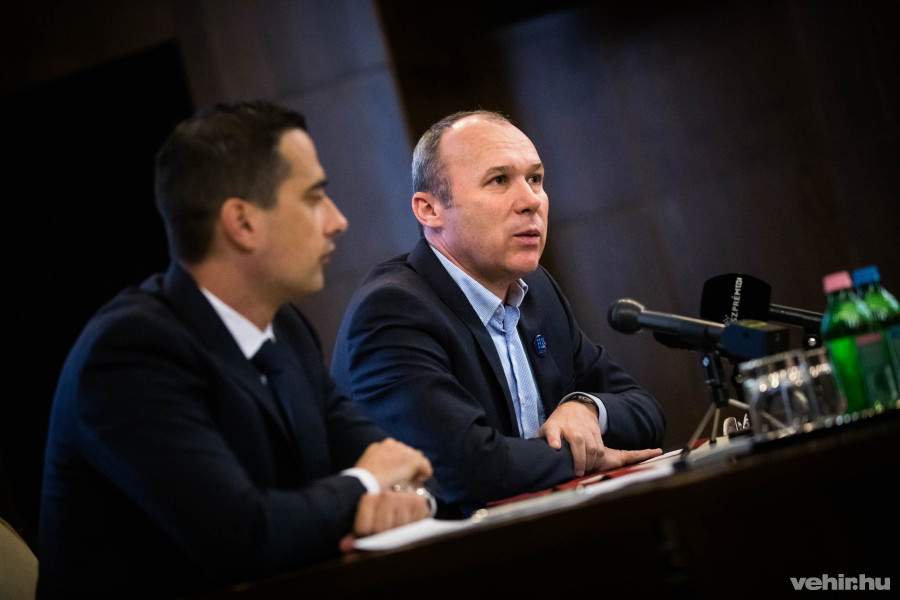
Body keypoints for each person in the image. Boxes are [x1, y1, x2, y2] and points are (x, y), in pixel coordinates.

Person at [37, 101, 436, 599]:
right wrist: (365, 484)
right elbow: (246, 539)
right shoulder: (128, 355)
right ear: (242, 223)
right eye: (314, 197)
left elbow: (400, 462)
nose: (337, 221)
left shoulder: (285, 328)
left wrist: (403, 497)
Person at [331, 110, 666, 518]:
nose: (530, 201)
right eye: (499, 181)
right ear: (429, 209)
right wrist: (585, 454)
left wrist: (585, 408)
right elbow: (469, 468)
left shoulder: (537, 289)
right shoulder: (392, 311)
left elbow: (645, 409)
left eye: (535, 179)